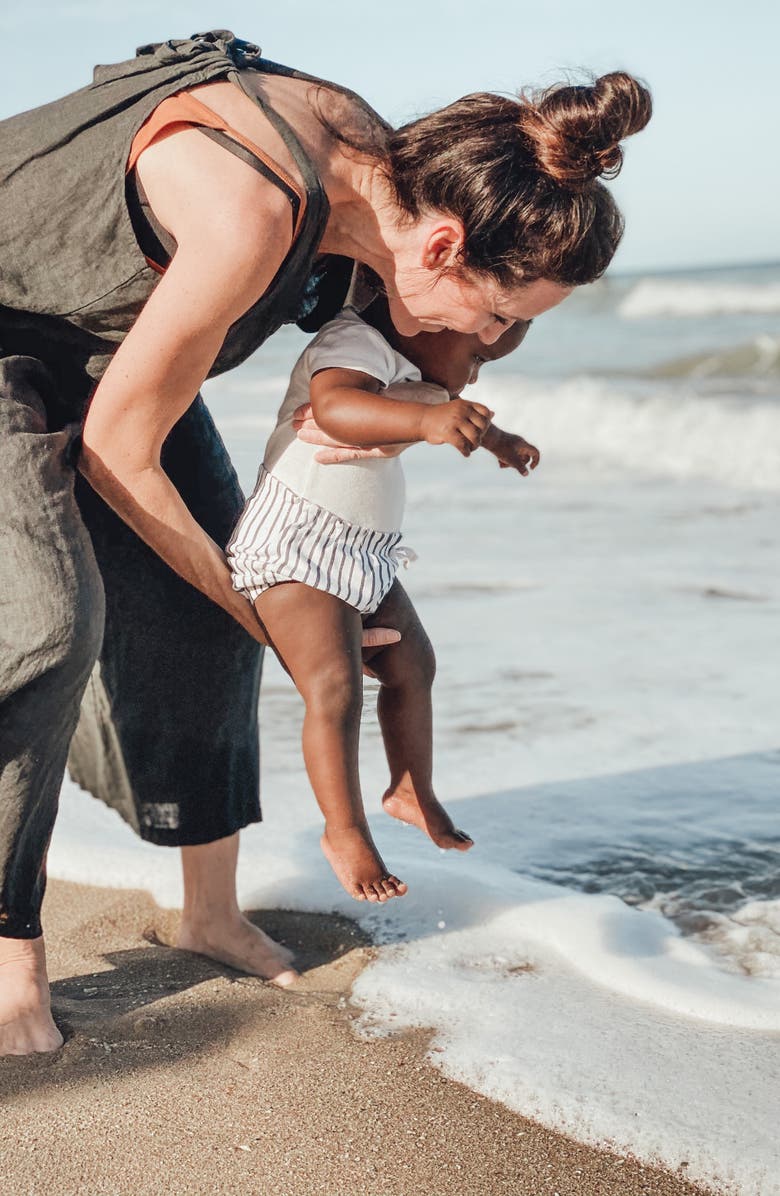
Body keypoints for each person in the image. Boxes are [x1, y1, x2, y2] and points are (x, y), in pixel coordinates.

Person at [0, 30, 651, 1054]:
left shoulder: (396, 186)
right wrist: (251, 597)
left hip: (106, 351)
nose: (485, 345)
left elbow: (312, 413)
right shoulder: (258, 207)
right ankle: (9, 953)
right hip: (10, 334)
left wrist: (295, 582)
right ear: (441, 248)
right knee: (47, 625)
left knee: (203, 620)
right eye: (493, 319)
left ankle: (207, 912)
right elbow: (120, 449)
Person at [228, 308, 536, 902]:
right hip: (296, 541)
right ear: (432, 317)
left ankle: (410, 789)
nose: (470, 380)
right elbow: (335, 410)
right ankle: (343, 831)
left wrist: (499, 441)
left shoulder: (421, 377)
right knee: (335, 686)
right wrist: (426, 420)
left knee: (414, 664)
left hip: (364, 551)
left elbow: (455, 417)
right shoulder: (357, 341)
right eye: (476, 357)